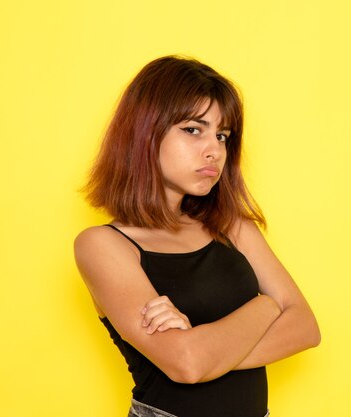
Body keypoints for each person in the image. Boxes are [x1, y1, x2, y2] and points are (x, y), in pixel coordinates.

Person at [74, 56, 321, 417]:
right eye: (193, 129)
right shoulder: (102, 245)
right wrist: (267, 305)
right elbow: (186, 364)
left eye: (222, 136)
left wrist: (207, 353)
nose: (214, 150)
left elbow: (306, 328)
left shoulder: (233, 227)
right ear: (145, 132)